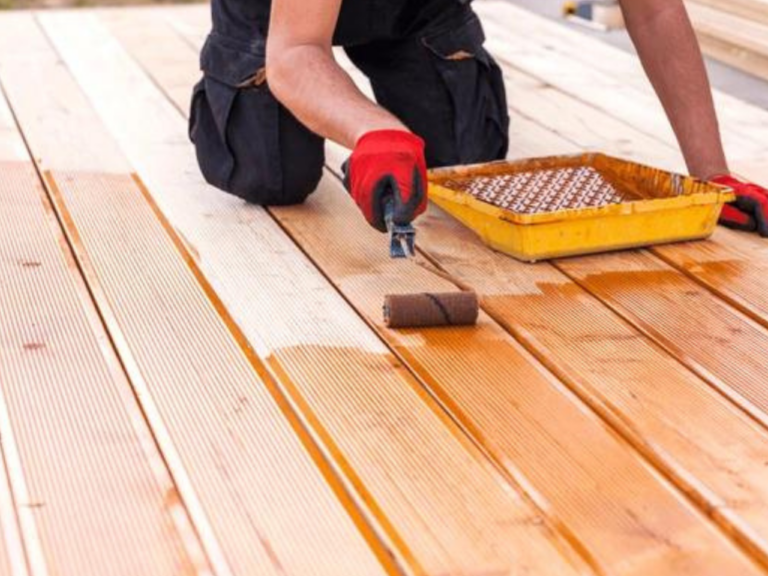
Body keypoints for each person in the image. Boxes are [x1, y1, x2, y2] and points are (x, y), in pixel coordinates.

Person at [189, 0, 768, 237]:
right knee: (273, 180)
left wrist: (711, 175)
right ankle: (235, 67)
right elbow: (296, 53)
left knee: (464, 163)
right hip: (279, 22)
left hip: (417, 9)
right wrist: (374, 133)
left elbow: (656, 9)